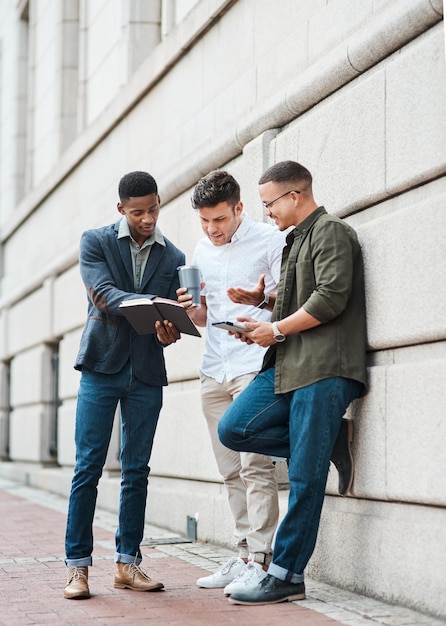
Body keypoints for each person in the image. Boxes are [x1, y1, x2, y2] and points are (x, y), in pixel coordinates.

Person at [217, 160, 367, 605]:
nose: (267, 213)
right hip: (288, 366)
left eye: (269, 204)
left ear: (294, 196)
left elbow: (331, 296)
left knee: (304, 475)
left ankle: (286, 575)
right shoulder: (296, 239)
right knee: (235, 428)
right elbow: (299, 295)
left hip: (324, 367)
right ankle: (329, 440)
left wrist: (276, 329)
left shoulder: (332, 231)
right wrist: (262, 301)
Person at [64, 171, 184, 600]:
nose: (148, 218)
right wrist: (144, 308)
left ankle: (127, 563)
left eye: (153, 209)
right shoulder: (94, 241)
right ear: (121, 210)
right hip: (102, 367)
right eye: (138, 212)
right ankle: (77, 567)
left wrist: (170, 326)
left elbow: (169, 321)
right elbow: (101, 293)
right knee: (88, 468)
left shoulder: (174, 257)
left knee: (137, 472)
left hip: (147, 372)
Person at [178, 170, 286, 595]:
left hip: (253, 364)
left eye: (219, 219)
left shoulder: (269, 240)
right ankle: (243, 554)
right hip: (214, 366)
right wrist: (190, 308)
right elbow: (203, 318)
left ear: (239, 208)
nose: (211, 229)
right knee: (228, 470)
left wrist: (259, 301)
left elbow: (285, 303)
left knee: (255, 465)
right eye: (205, 221)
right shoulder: (201, 249)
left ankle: (261, 559)